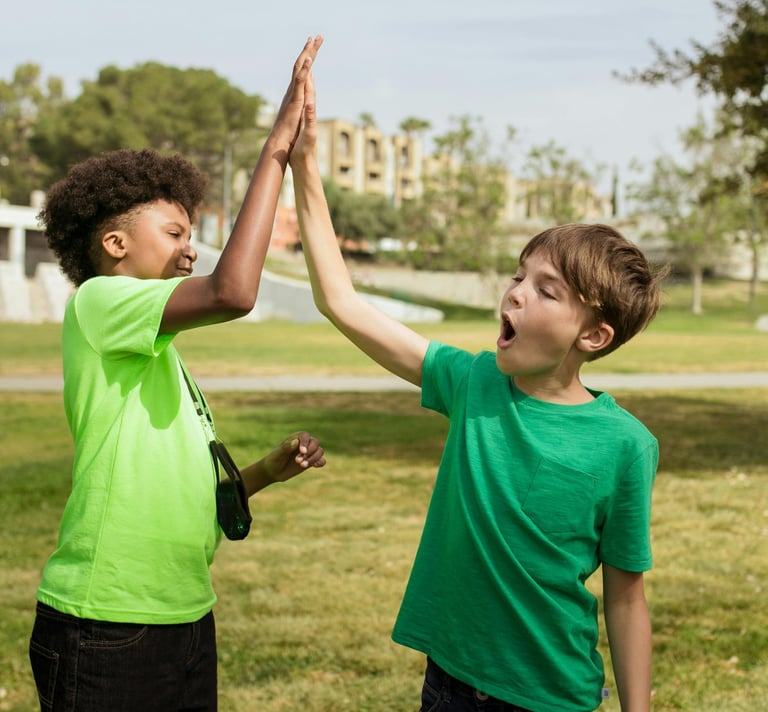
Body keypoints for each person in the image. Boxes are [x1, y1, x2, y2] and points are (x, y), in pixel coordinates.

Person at [289, 70, 663, 711]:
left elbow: (627, 598)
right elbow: (341, 302)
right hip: (449, 686)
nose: (515, 293)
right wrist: (305, 164)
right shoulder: (474, 382)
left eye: (546, 290)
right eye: (519, 277)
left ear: (593, 336)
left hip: (550, 699)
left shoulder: (627, 446)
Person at [28, 36, 326, 712]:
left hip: (184, 615)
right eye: (174, 233)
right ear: (115, 244)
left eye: (191, 236)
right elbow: (234, 292)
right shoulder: (99, 302)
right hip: (108, 622)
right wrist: (275, 150)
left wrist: (265, 471)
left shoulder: (160, 354)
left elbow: (194, 498)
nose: (190, 249)